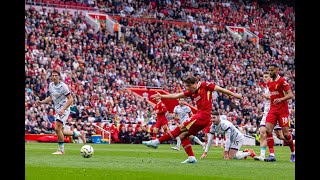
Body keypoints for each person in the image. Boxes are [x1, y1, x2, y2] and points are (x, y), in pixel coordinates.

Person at [143, 75, 242, 163]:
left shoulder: (204, 85)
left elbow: (220, 89)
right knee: (183, 135)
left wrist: (234, 95)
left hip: (203, 116)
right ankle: (191, 157)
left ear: (195, 83)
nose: (188, 88)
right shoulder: (192, 92)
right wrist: (162, 96)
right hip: (201, 117)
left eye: (189, 86)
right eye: (186, 86)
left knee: (181, 127)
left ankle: (157, 142)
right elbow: (177, 95)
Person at [37, 69, 86, 154]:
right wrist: (42, 102)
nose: (54, 77)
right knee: (61, 131)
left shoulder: (63, 86)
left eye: (56, 75)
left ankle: (61, 150)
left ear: (59, 76)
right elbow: (51, 97)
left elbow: (71, 99)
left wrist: (63, 109)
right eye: (53, 75)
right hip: (57, 110)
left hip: (65, 109)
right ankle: (79, 134)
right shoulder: (51, 85)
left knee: (56, 128)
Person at [264, 64, 295, 162]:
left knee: (285, 134)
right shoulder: (269, 83)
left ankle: (293, 153)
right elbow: (273, 95)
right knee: (268, 130)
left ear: (277, 70)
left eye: (272, 70)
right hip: (273, 110)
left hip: (283, 111)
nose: (270, 72)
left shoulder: (282, 81)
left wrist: (281, 99)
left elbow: (291, 95)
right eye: (269, 70)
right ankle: (272, 155)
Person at [254, 71, 287, 161]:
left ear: (271, 77)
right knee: (262, 132)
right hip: (267, 114)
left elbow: (282, 97)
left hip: (277, 113)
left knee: (281, 136)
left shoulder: (276, 86)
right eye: (263, 77)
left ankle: (292, 142)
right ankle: (262, 155)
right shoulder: (267, 87)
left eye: (266, 76)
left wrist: (268, 96)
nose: (264, 78)